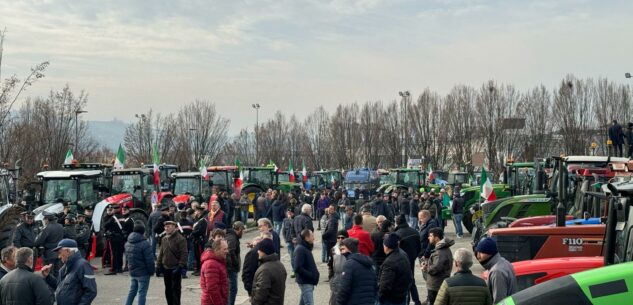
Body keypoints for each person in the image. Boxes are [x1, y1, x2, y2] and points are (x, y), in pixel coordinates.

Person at [42, 239, 97, 305]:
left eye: (60, 253)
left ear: (68, 251)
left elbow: (91, 291)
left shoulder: (83, 265)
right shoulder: (63, 268)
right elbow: (60, 287)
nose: (59, 256)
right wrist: (48, 276)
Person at [335, 238, 377, 305]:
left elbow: (344, 288)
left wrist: (339, 302)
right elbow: (375, 286)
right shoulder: (369, 264)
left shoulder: (349, 264)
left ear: (350, 249)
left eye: (343, 249)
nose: (341, 252)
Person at [475, 238, 517, 303]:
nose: (478, 256)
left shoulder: (497, 272)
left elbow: (500, 301)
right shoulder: (504, 262)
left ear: (489, 252)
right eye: (477, 252)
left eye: (481, 252)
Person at [157, 221, 188, 305]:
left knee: (176, 291)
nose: (166, 228)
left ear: (174, 227)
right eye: (165, 227)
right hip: (166, 268)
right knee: (168, 290)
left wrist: (180, 266)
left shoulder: (180, 239)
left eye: (169, 226)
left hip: (175, 268)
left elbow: (184, 253)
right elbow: (161, 252)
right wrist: (158, 265)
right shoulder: (164, 238)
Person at [394, 215, 423, 305]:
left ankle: (407, 301)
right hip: (411, 259)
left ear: (397, 223)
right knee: (411, 280)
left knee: (404, 282)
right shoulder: (415, 231)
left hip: (401, 261)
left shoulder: (396, 234)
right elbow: (419, 247)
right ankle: (416, 301)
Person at [124, 223, 155, 305]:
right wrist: (151, 271)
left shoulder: (127, 243)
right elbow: (149, 260)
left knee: (132, 291)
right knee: (142, 293)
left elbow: (127, 258)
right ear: (143, 232)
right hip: (143, 272)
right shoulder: (145, 244)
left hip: (133, 271)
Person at [378, 234, 412, 305]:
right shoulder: (403, 255)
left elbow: (385, 286)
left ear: (386, 246)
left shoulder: (389, 262)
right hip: (401, 296)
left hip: (391, 299)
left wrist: (379, 297)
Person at [423, 228, 455, 305]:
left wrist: (426, 267)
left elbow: (436, 268)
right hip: (438, 284)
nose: (428, 237)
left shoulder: (440, 252)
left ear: (436, 238)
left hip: (436, 285)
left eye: (430, 236)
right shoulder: (441, 248)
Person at [251, 238, 287, 305]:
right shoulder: (280, 264)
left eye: (260, 250)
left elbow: (261, 293)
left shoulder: (265, 270)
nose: (258, 251)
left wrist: (254, 302)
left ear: (264, 251)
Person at [293, 229, 319, 305]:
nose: (314, 238)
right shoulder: (300, 249)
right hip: (306, 282)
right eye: (312, 236)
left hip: (308, 281)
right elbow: (297, 267)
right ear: (306, 238)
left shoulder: (305, 247)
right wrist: (311, 275)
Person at [200, 238, 229, 305]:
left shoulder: (218, 261)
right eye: (224, 249)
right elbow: (212, 289)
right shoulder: (211, 264)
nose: (227, 251)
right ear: (216, 250)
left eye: (227, 248)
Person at [225, 221, 245, 305]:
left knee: (231, 289)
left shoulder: (232, 236)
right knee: (232, 289)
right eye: (243, 230)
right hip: (231, 268)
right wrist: (235, 263)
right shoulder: (232, 238)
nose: (243, 232)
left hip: (230, 267)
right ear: (239, 229)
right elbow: (230, 252)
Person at [328, 231, 348, 305]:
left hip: (346, 278)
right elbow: (330, 265)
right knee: (335, 300)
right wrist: (330, 278)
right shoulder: (333, 250)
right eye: (338, 237)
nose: (340, 239)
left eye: (342, 237)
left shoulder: (350, 250)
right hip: (335, 278)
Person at [191, 206, 209, 276]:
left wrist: (193, 233)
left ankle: (201, 269)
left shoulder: (203, 220)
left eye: (197, 211)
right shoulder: (196, 220)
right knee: (196, 256)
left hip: (200, 240)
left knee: (200, 255)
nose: (195, 212)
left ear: (200, 212)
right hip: (196, 240)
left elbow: (201, 231)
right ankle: (198, 269)